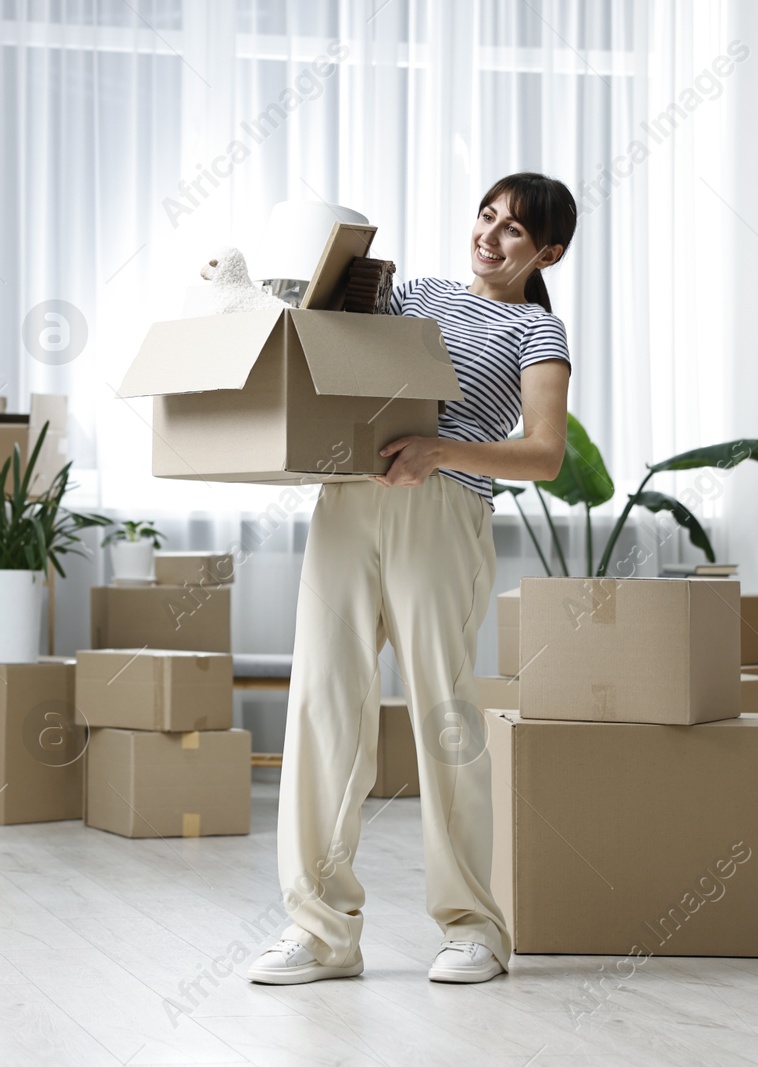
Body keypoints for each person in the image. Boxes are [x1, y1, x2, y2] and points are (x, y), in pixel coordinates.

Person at [247, 173, 577, 986]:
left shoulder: (538, 332)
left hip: (443, 506)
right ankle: (320, 932)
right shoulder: (418, 293)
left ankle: (474, 928)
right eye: (487, 216)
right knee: (323, 705)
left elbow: (543, 453)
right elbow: (333, 341)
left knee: (444, 713)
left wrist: (440, 451)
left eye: (514, 231)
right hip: (350, 499)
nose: (491, 236)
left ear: (548, 252)